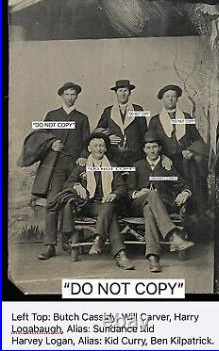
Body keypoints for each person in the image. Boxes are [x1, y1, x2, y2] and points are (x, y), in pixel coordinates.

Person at [63, 132, 135, 270]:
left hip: (109, 203)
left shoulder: (113, 165)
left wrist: (114, 194)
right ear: (89, 149)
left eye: (102, 146)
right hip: (90, 205)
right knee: (108, 212)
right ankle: (120, 254)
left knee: (108, 207)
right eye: (95, 146)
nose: (99, 149)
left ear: (106, 148)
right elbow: (67, 183)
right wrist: (77, 185)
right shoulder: (82, 166)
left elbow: (122, 187)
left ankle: (98, 240)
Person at [128, 131, 194, 273]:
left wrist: (185, 192)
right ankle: (172, 236)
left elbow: (184, 184)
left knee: (149, 211)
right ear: (144, 150)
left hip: (162, 205)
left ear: (160, 148)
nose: (152, 150)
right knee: (150, 195)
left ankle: (153, 258)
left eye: (155, 147)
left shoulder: (167, 166)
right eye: (149, 147)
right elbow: (127, 190)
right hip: (138, 204)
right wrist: (137, 193)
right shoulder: (137, 166)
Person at [38, 82, 90, 260]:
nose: (70, 97)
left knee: (75, 201)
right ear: (61, 96)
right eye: (67, 94)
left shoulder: (82, 118)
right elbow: (41, 137)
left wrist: (84, 156)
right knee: (53, 203)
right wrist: (51, 144)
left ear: (77, 97)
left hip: (75, 166)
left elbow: (87, 143)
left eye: (73, 94)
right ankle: (50, 245)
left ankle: (71, 241)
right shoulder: (52, 115)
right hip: (57, 165)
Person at [148, 84, 209, 215]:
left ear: (177, 99)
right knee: (166, 185)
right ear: (162, 99)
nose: (170, 99)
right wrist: (163, 156)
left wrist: (191, 151)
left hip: (185, 160)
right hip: (166, 161)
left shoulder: (186, 118)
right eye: (167, 96)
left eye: (173, 96)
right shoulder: (155, 120)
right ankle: (169, 212)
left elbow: (198, 139)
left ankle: (192, 218)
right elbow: (151, 143)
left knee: (190, 187)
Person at [96, 79, 147, 167]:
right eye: (120, 91)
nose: (123, 94)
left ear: (130, 93)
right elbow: (98, 131)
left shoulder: (138, 109)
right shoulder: (108, 111)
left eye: (125, 91)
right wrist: (107, 138)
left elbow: (144, 132)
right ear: (116, 93)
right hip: (114, 155)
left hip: (135, 156)